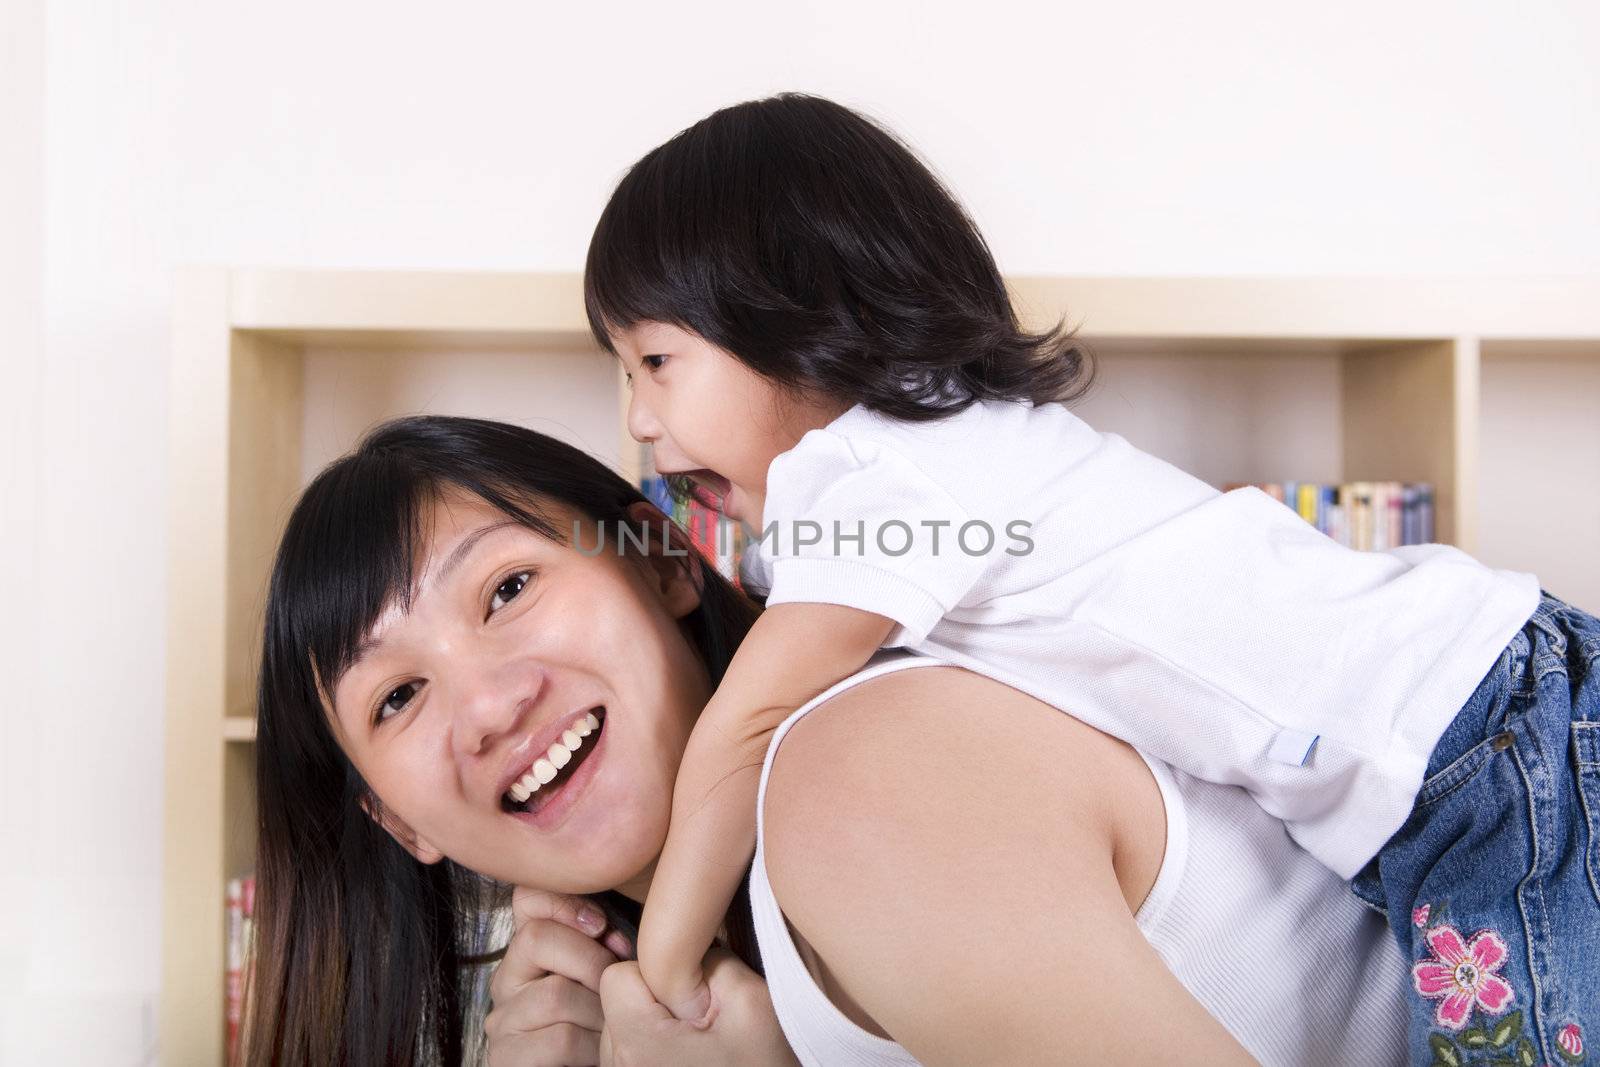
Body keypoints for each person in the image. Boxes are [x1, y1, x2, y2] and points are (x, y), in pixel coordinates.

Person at [586, 92, 1600, 1063]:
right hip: (1476, 729)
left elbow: (750, 725)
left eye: (656, 362)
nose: (638, 417)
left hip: (1488, 741)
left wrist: (667, 968)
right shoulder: (938, 457)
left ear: (793, 313)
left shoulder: (887, 480)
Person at [244, 415, 1413, 1066]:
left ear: (662, 563)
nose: (488, 705)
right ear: (395, 821)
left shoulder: (860, 776)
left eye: (505, 589)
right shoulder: (680, 992)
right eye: (395, 697)